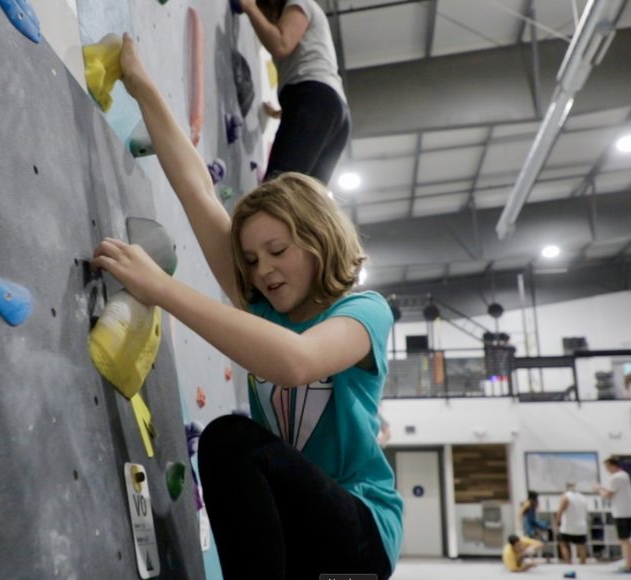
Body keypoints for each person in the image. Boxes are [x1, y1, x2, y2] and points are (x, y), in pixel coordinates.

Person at [92, 35, 402, 579]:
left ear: (318, 239)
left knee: (231, 441)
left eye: (277, 252)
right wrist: (140, 84)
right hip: (292, 535)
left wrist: (161, 288)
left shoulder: (363, 312)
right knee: (229, 445)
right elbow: (195, 189)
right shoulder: (262, 301)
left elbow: (296, 362)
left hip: (359, 534)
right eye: (252, 260)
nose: (262, 271)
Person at [237, 0, 351, 185]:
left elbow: (281, 45)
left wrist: (250, 7)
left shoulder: (299, 2)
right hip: (333, 111)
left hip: (315, 98)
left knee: (277, 190)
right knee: (301, 200)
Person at [597, 456, 631, 573]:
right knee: (627, 539)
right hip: (627, 510)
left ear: (612, 465)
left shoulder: (615, 478)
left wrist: (599, 490)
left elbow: (608, 495)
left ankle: (628, 565)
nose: (607, 469)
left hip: (621, 512)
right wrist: (603, 488)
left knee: (624, 539)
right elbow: (613, 490)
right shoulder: (624, 475)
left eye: (607, 467)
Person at [555, 482, 589, 565]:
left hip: (568, 527)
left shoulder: (566, 497)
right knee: (581, 545)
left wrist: (557, 521)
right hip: (581, 526)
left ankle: (568, 562)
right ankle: (583, 562)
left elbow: (560, 511)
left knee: (563, 544)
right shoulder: (582, 497)